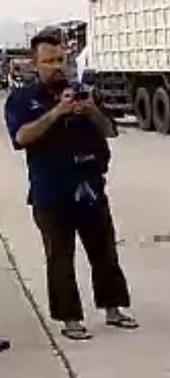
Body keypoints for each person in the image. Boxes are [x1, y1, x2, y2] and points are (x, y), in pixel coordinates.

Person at [3, 29, 138, 341]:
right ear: (35, 64)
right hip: (50, 191)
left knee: (104, 251)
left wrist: (90, 110)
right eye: (49, 61)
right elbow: (21, 138)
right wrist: (57, 113)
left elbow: (110, 130)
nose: (56, 66)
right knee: (60, 257)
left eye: (60, 59)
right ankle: (70, 318)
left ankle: (114, 308)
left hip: (90, 186)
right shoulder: (23, 99)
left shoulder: (84, 92)